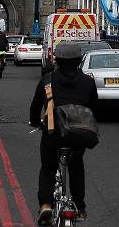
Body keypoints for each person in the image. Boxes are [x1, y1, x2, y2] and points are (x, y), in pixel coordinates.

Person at [29, 42, 98, 224]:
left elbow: (35, 107)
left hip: (53, 134)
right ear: (79, 61)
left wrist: (36, 122)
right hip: (78, 136)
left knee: (48, 168)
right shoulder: (88, 82)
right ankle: (79, 206)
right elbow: (94, 109)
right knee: (76, 166)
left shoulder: (47, 80)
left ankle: (46, 205)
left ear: (57, 61)